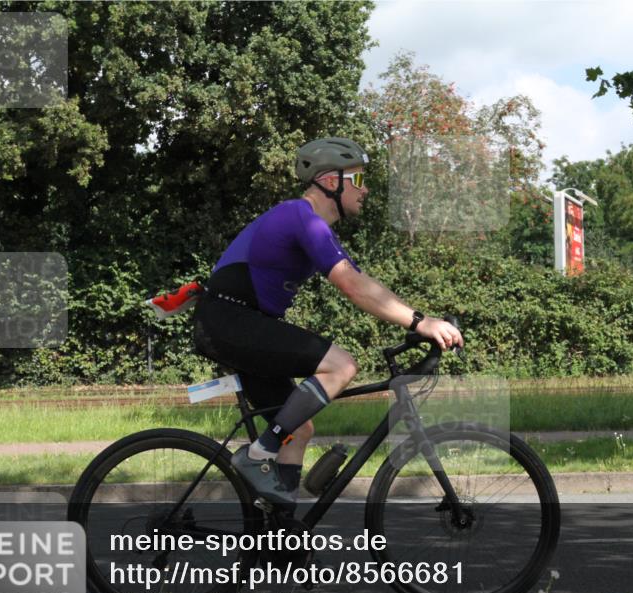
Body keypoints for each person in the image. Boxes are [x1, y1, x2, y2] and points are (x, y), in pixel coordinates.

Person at [193, 137, 463, 508]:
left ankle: (282, 541)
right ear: (332, 181)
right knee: (341, 365)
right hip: (230, 320)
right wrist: (421, 322)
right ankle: (256, 457)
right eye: (357, 180)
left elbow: (365, 284)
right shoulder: (300, 216)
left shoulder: (314, 226)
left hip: (236, 322)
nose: (364, 188)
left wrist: (417, 319)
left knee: (298, 428)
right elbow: (352, 287)